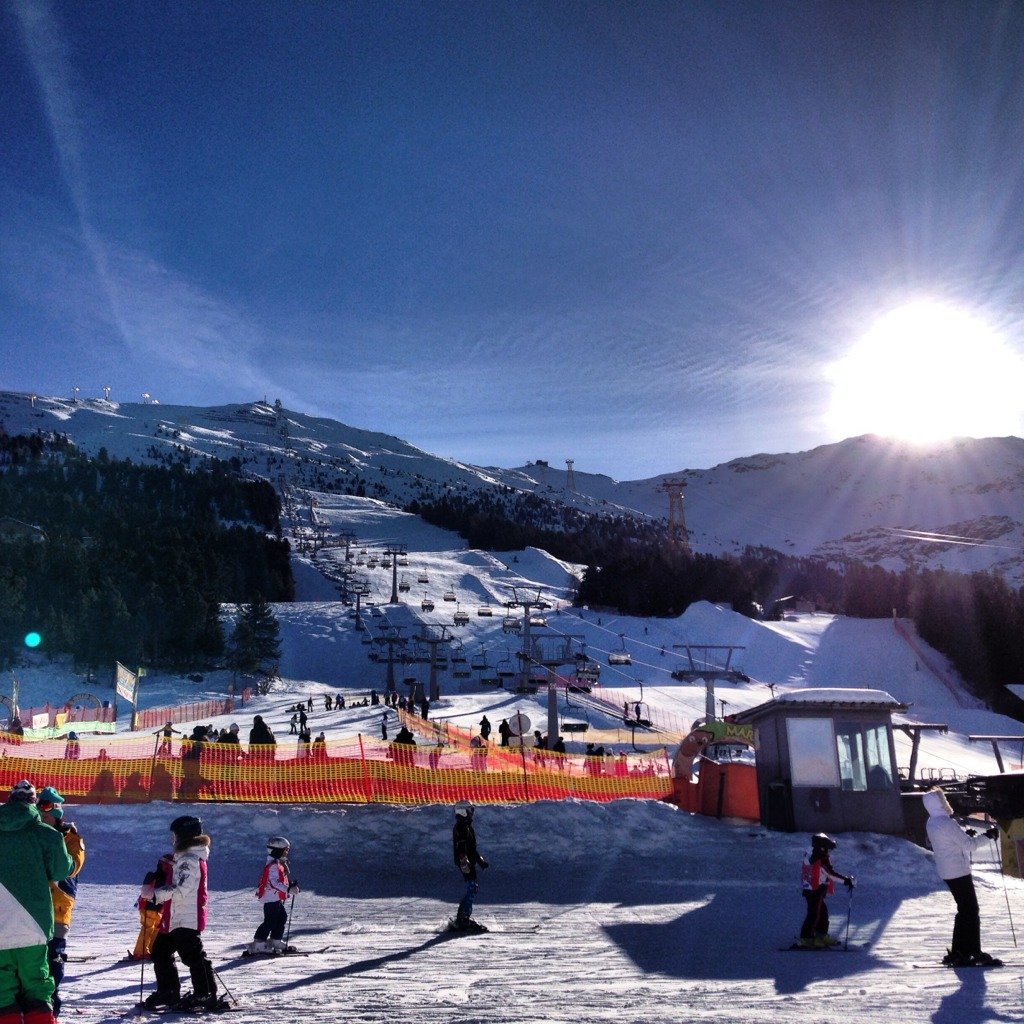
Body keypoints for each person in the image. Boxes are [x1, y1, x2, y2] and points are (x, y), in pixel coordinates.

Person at [0, 780, 75, 1024]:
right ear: (33, 802)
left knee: (2, 991)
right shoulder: (47, 834)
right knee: (37, 986)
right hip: (34, 924)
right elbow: (61, 871)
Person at [145, 816, 226, 1012]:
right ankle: (169, 991)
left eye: (175, 835)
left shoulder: (189, 860)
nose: (173, 840)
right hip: (176, 916)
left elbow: (181, 889)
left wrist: (155, 895)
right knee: (160, 951)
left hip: (187, 918)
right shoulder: (184, 858)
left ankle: (205, 993)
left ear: (184, 835)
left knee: (193, 956)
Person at [924, 787, 1002, 967]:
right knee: (971, 910)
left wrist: (964, 835)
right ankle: (972, 952)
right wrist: (988, 836)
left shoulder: (932, 822)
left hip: (947, 870)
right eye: (943, 799)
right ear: (939, 803)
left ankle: (959, 950)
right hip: (958, 870)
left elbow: (949, 842)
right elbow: (970, 846)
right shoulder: (946, 822)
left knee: (964, 910)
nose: (946, 802)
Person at [36, 787, 84, 1018]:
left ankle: (51, 1008)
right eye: (40, 814)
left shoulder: (71, 839)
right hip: (33, 908)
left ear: (57, 815)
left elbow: (72, 868)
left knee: (53, 958)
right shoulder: (32, 835)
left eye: (47, 815)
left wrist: (54, 846)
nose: (42, 818)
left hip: (57, 908)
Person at [798, 833, 854, 948]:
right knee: (814, 915)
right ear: (822, 848)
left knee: (822, 914)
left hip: (811, 890)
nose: (830, 851)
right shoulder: (821, 859)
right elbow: (830, 874)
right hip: (815, 891)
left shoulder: (811, 855)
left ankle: (821, 936)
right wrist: (846, 881)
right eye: (828, 849)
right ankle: (806, 938)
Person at [248, 836, 299, 955]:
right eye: (286, 850)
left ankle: (275, 940)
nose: (287, 852)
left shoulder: (277, 863)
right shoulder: (273, 866)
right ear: (278, 850)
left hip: (275, 897)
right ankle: (259, 943)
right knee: (270, 921)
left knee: (281, 917)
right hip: (270, 897)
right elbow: (274, 883)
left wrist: (289, 884)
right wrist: (288, 889)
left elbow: (280, 879)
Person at [450, 801, 489, 933]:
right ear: (463, 812)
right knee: (472, 888)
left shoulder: (466, 826)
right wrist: (463, 861)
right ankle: (463, 918)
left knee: (473, 888)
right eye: (470, 810)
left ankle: (462, 917)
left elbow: (471, 849)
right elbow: (461, 847)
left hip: (468, 862)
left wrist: (480, 861)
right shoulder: (461, 827)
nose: (472, 813)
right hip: (465, 863)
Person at [132, 852, 174, 961]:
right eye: (167, 866)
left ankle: (150, 950)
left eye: (170, 867)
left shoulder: (168, 880)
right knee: (148, 928)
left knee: (156, 929)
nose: (168, 869)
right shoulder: (152, 876)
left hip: (159, 908)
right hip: (148, 906)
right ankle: (140, 952)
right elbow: (145, 892)